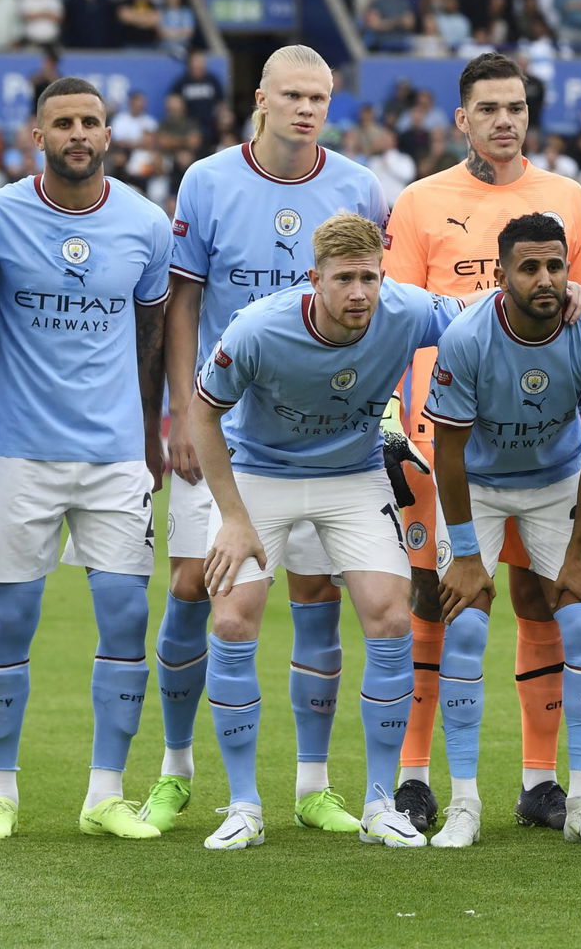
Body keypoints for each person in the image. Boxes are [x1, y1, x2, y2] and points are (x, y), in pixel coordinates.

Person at [153, 44, 388, 836]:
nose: (305, 109)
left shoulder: (357, 186)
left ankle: (314, 783)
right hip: (226, 431)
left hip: (323, 433)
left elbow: (376, 308)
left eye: (318, 97)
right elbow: (182, 302)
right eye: (291, 95)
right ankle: (177, 769)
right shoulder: (209, 180)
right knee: (195, 584)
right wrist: (184, 409)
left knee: (319, 600)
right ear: (261, 97)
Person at [190, 212, 457, 850]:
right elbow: (203, 414)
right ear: (315, 279)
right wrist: (231, 516)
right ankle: (244, 806)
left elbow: (486, 316)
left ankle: (379, 803)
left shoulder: (409, 309)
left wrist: (575, 301)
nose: (359, 293)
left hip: (353, 473)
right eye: (344, 280)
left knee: (392, 619)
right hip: (259, 475)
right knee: (231, 622)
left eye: (369, 277)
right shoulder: (258, 328)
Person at [383, 53, 581, 834]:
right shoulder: (419, 202)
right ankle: (413, 776)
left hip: (541, 440)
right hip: (438, 437)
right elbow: (400, 315)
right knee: (436, 604)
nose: (505, 120)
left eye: (516, 106)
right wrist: (395, 425)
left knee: (538, 598)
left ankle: (541, 781)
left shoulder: (566, 199)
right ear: (461, 119)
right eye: (489, 108)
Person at [0, 77, 171, 842]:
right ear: (37, 137)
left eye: (90, 121)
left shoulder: (147, 224)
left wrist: (150, 438)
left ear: (109, 135)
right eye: (63, 123)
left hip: (115, 454)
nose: (78, 133)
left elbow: (149, 339)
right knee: (11, 623)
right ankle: (0, 793)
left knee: (125, 616)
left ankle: (105, 794)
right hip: (20, 449)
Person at [424, 214, 581, 847]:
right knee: (465, 626)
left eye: (555, 266)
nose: (544, 279)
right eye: (529, 267)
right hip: (478, 486)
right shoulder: (467, 337)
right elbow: (448, 453)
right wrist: (462, 554)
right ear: (503, 271)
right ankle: (463, 804)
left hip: (555, 483)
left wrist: (578, 554)